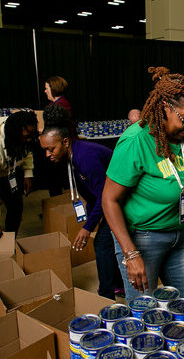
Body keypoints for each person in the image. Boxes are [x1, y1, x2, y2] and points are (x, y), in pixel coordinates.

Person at [102, 66, 184, 301]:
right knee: (146, 313)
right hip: (143, 238)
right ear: (164, 108)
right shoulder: (135, 141)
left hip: (179, 234)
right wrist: (130, 254)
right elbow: (109, 200)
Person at [39, 104, 121, 300]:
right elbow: (95, 196)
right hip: (109, 200)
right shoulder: (72, 156)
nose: (47, 155)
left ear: (65, 142)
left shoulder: (85, 158)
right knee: (107, 244)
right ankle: (117, 285)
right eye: (45, 150)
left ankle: (106, 297)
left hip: (123, 201)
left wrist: (87, 227)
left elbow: (104, 196)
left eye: (51, 149)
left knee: (102, 244)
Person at [0, 111, 38, 235]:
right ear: (16, 132)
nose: (30, 139)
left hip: (9, 173)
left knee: (16, 208)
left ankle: (10, 242)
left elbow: (27, 152)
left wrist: (27, 175)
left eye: (32, 135)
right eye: (27, 136)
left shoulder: (22, 139)